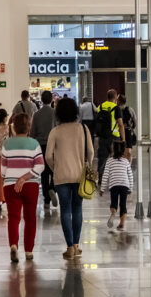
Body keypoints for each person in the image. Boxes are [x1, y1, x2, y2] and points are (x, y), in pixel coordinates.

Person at [46, 98, 94, 260]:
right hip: (79, 175)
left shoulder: (55, 131)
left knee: (65, 210)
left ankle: (69, 247)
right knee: (77, 208)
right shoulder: (83, 128)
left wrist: (55, 167)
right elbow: (91, 152)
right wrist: (86, 165)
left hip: (61, 176)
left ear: (58, 113)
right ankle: (76, 245)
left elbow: (48, 156)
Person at [1, 113, 45, 263]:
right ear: (28, 127)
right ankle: (28, 251)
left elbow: (2, 171)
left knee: (13, 218)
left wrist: (15, 178)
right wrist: (25, 177)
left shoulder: (7, 144)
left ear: (14, 127)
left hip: (10, 185)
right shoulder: (34, 144)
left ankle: (14, 245)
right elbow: (40, 166)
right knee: (30, 218)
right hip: (30, 185)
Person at [30, 91, 58, 210]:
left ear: (41, 100)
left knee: (44, 173)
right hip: (54, 146)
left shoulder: (36, 114)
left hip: (41, 146)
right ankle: (53, 188)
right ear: (52, 99)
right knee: (56, 170)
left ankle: (46, 200)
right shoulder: (55, 113)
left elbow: (32, 133)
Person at [100, 141, 133, 231]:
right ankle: (121, 224)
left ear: (113, 150)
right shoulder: (126, 161)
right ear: (123, 150)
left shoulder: (109, 161)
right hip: (124, 185)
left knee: (114, 202)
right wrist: (130, 188)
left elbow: (105, 175)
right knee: (123, 205)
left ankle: (113, 211)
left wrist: (102, 188)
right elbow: (130, 175)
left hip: (114, 185)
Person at [97, 89, 125, 185]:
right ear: (116, 97)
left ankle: (101, 179)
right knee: (116, 158)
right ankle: (115, 178)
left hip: (102, 136)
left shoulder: (100, 107)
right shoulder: (116, 108)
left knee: (102, 158)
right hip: (114, 137)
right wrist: (123, 138)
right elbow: (120, 124)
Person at [118, 95, 137, 161]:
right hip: (128, 131)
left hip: (119, 132)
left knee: (121, 151)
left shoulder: (116, 110)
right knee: (128, 151)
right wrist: (131, 128)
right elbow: (135, 122)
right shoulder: (130, 109)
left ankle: (122, 167)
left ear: (119, 101)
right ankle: (128, 166)